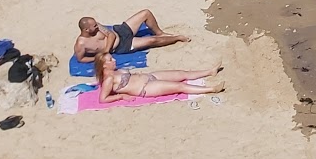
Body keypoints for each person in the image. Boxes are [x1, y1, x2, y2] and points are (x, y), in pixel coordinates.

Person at [94, 51, 223, 101]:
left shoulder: (115, 71)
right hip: (146, 87)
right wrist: (121, 96)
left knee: (182, 73)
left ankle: (209, 72)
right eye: (110, 60)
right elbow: (102, 99)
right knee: (180, 86)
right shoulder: (109, 80)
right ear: (104, 65)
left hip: (149, 76)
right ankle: (211, 89)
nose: (114, 60)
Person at [73, 11, 188, 63]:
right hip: (122, 46)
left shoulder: (97, 26)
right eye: (94, 26)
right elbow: (81, 59)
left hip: (120, 31)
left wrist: (106, 51)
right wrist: (98, 58)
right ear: (86, 30)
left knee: (145, 13)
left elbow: (111, 35)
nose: (97, 26)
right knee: (152, 41)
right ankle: (177, 38)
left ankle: (159, 32)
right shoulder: (81, 44)